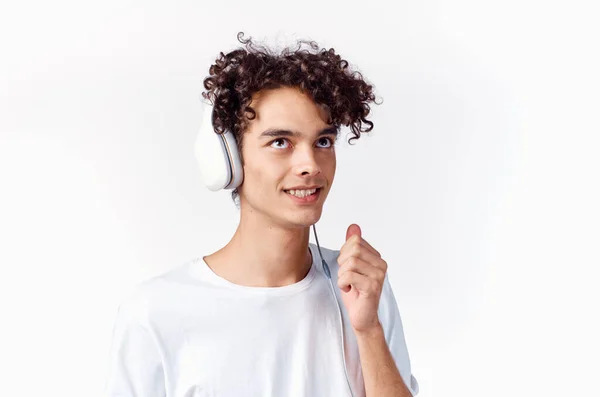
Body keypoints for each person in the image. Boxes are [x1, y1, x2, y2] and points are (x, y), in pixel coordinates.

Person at [103, 32, 419, 397]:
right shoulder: (155, 314)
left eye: (323, 142)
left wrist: (368, 331)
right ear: (230, 161)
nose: (310, 165)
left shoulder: (361, 290)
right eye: (280, 142)